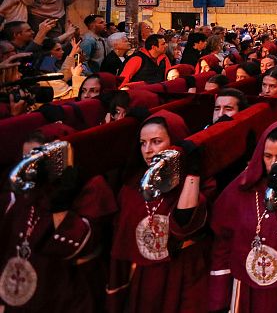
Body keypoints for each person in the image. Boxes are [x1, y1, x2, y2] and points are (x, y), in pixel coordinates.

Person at [107, 111, 212, 313]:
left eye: (156, 141)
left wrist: (192, 173)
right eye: (143, 143)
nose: (148, 150)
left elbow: (185, 226)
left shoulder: (200, 182)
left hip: (183, 272)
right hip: (146, 276)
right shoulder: (130, 186)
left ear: (175, 142)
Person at [209, 121, 277, 312]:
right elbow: (223, 240)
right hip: (245, 285)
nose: (273, 164)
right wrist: (219, 291)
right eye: (268, 156)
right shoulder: (242, 188)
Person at [0, 135, 117, 312]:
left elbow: (79, 246)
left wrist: (61, 201)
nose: (28, 166)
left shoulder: (91, 186)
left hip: (63, 291)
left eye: (36, 158)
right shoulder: (25, 191)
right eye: (25, 158)